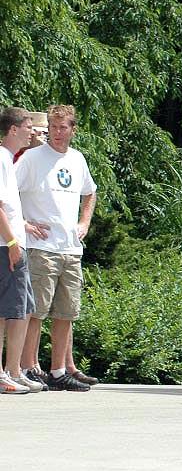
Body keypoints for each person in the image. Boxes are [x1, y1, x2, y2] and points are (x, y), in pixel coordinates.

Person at [17, 104, 98, 392]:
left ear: (73, 129)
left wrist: (84, 223)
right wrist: (24, 224)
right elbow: (7, 192)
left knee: (66, 312)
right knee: (36, 311)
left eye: (63, 127)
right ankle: (28, 366)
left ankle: (59, 370)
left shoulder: (77, 159)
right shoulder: (31, 158)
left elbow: (90, 192)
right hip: (41, 247)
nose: (57, 133)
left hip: (70, 248)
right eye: (53, 127)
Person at [0, 108, 43, 394]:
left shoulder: (7, 159)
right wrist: (13, 242)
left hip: (13, 242)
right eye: (28, 126)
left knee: (18, 310)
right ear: (13, 129)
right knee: (7, 312)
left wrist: (22, 226)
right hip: (6, 246)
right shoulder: (2, 158)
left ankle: (12, 370)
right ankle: (4, 374)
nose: (32, 131)